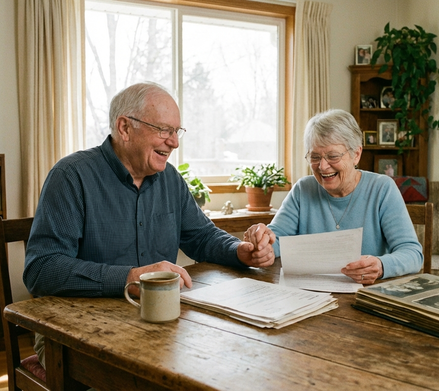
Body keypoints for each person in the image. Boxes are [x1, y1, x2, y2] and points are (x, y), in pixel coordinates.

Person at [24, 82, 276, 366]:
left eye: (177, 131)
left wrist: (239, 250)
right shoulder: (71, 176)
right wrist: (130, 278)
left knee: (231, 364)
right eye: (164, 130)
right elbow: (41, 269)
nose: (175, 142)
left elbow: (202, 237)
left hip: (159, 325)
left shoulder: (170, 179)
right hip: (77, 333)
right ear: (125, 128)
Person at [243, 109, 422, 285]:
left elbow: (413, 253)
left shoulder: (382, 189)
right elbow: (278, 239)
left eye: (333, 156)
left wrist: (381, 266)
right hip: (308, 295)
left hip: (366, 296)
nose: (322, 166)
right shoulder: (302, 189)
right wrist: (263, 244)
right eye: (315, 157)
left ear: (356, 154)